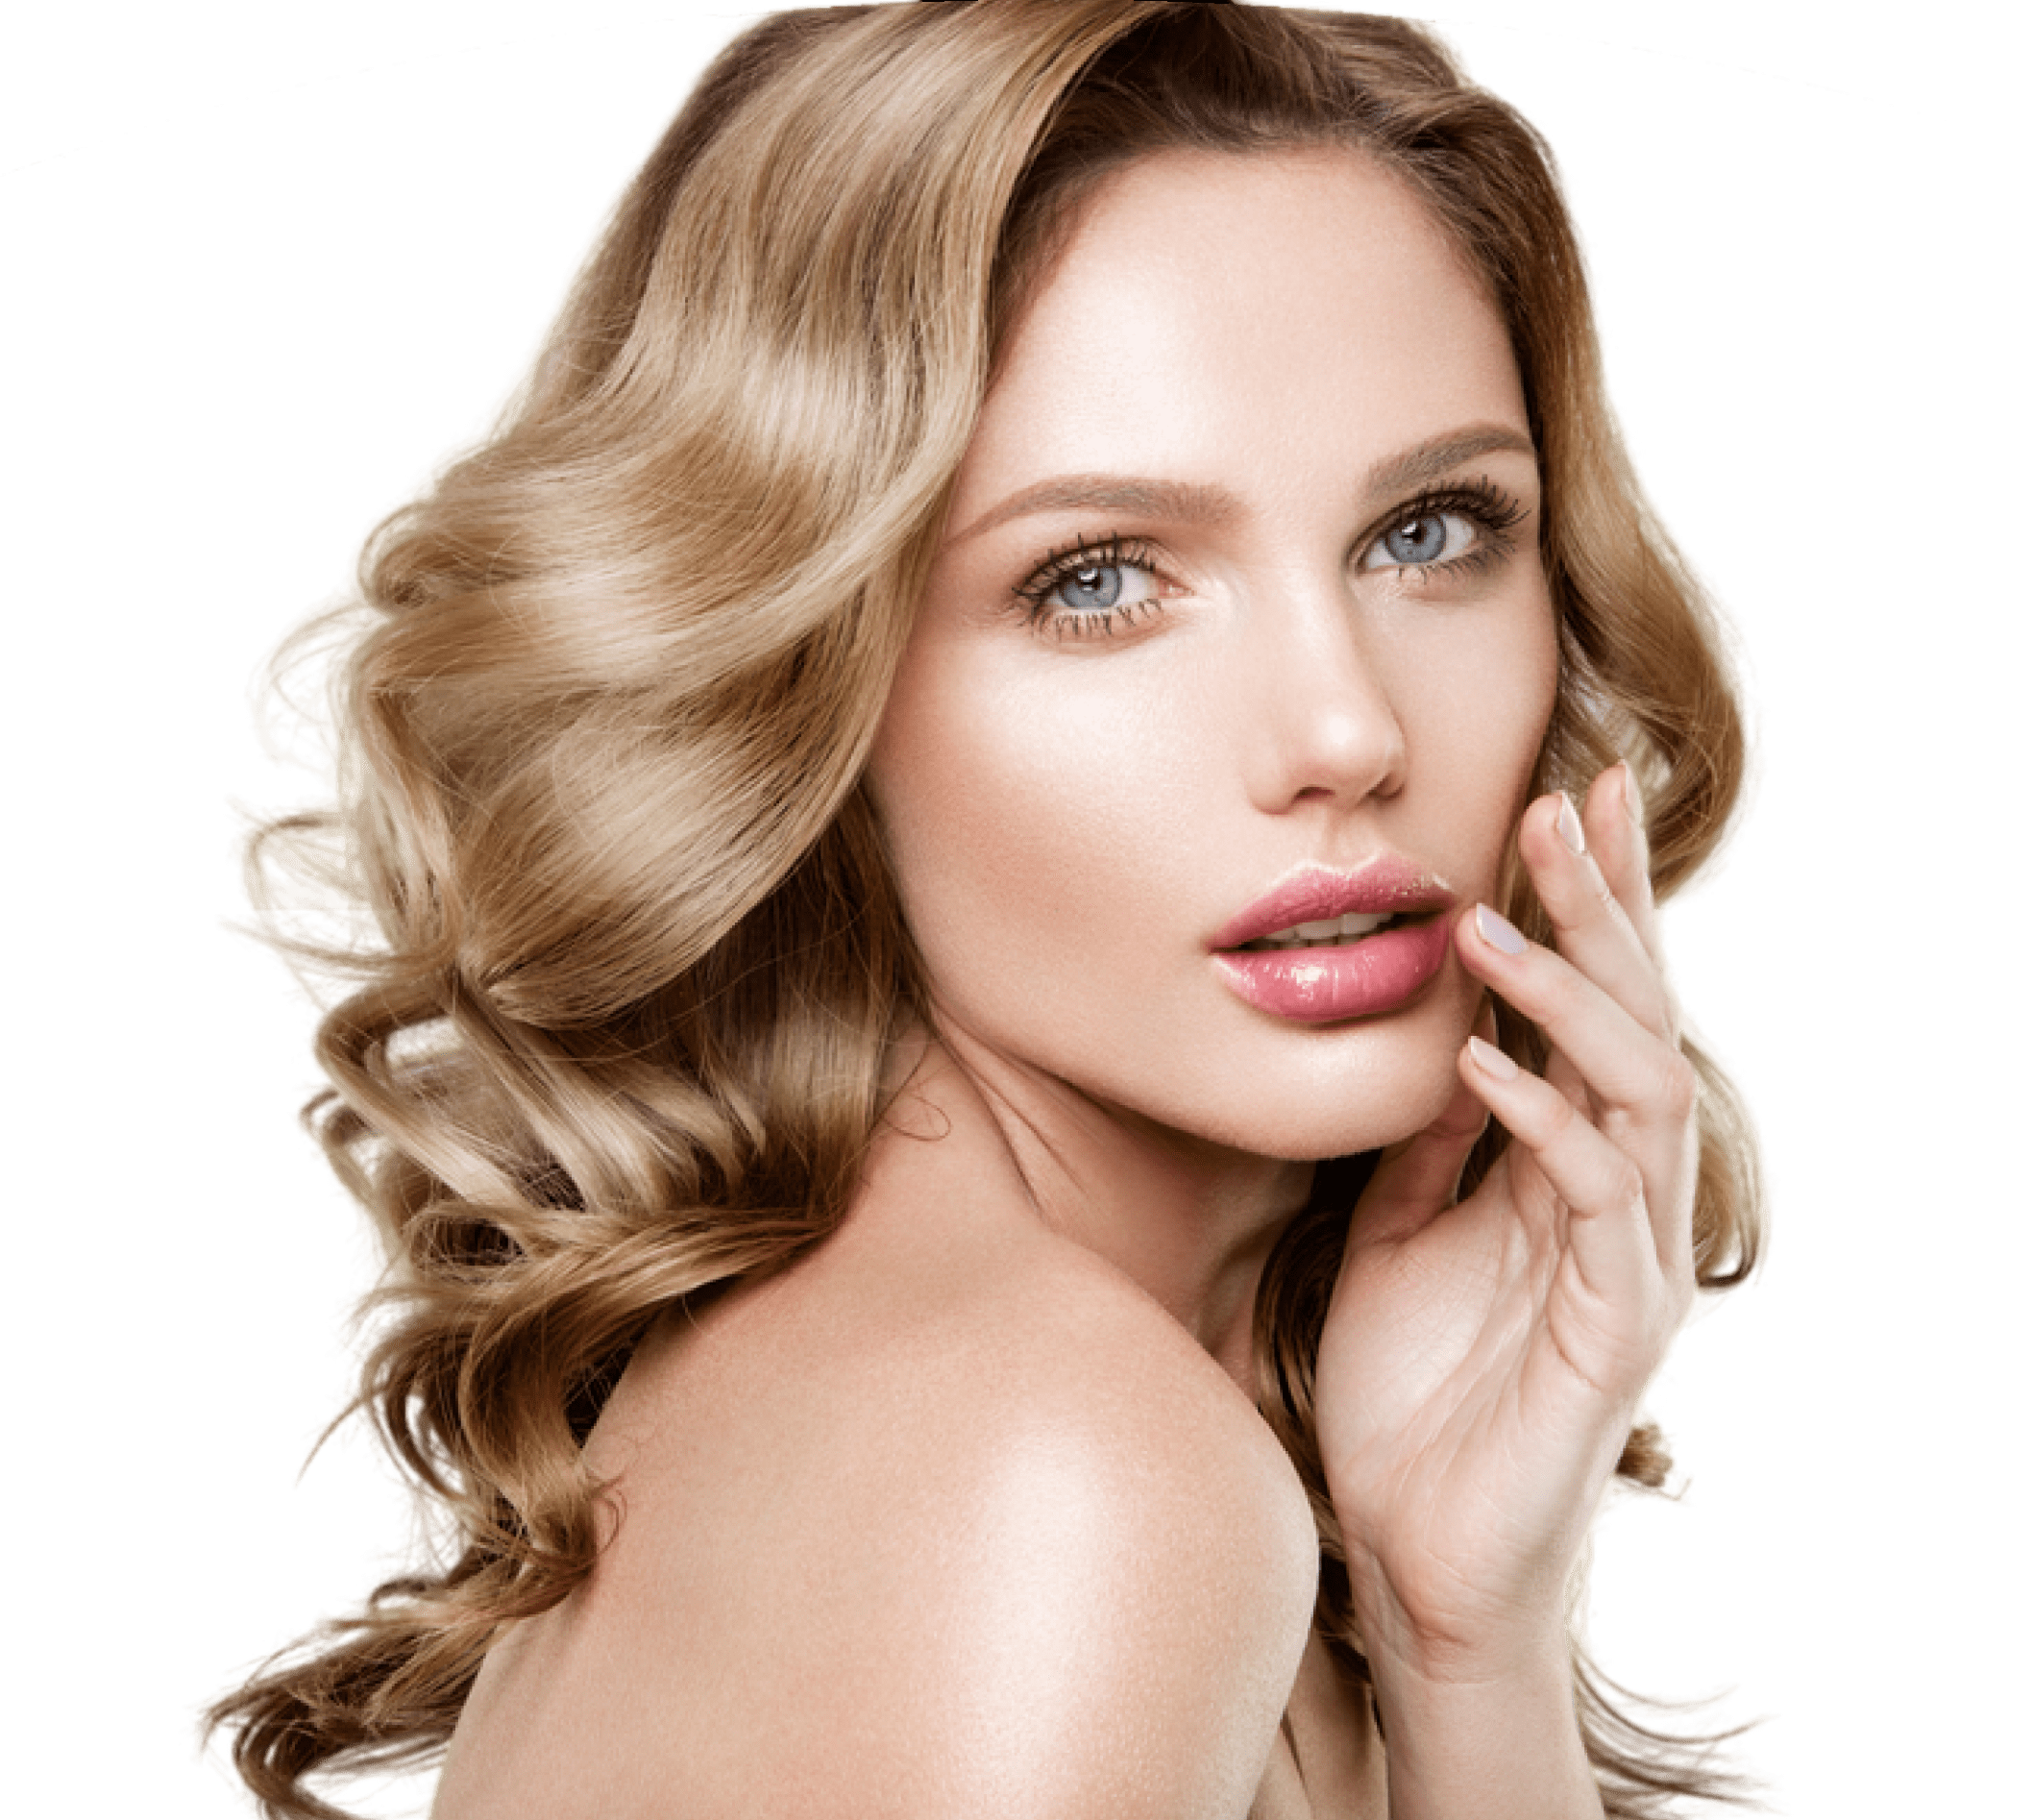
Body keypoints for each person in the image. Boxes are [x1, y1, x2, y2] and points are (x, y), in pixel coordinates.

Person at [189, 3, 1782, 1814]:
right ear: (810, 681)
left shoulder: (1037, 1417)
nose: (1349, 732)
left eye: (1429, 531)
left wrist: (1463, 1637)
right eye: (1097, 579)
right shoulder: (1052, 1478)